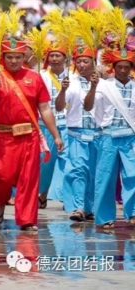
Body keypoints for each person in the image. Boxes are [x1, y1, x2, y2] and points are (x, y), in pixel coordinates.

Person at [0, 39, 64, 231]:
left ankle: (27, 220)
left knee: (28, 179)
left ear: (23, 57)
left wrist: (56, 135)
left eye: (18, 57)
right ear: (3, 58)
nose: (14, 61)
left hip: (29, 137)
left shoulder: (34, 77)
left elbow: (44, 108)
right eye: (10, 57)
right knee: (2, 177)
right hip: (3, 138)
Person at [57, 46, 103, 222]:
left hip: (99, 134)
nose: (82, 65)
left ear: (94, 62)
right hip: (76, 133)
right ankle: (79, 207)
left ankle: (89, 208)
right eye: (79, 61)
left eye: (86, 61)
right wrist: (62, 90)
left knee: (93, 172)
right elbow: (59, 107)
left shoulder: (104, 84)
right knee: (79, 169)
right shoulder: (71, 83)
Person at [92, 48, 135, 228]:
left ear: (131, 68)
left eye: (126, 67)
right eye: (119, 67)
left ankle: (132, 213)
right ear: (113, 67)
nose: (123, 70)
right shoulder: (104, 86)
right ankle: (105, 218)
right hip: (108, 136)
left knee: (133, 175)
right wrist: (93, 87)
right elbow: (90, 108)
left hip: (130, 136)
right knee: (105, 178)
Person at [38, 45, 69, 207]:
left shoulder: (73, 76)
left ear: (65, 58)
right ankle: (42, 193)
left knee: (68, 162)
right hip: (46, 125)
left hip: (68, 125)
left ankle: (68, 198)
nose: (55, 59)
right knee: (46, 162)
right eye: (52, 56)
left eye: (58, 55)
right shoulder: (41, 76)